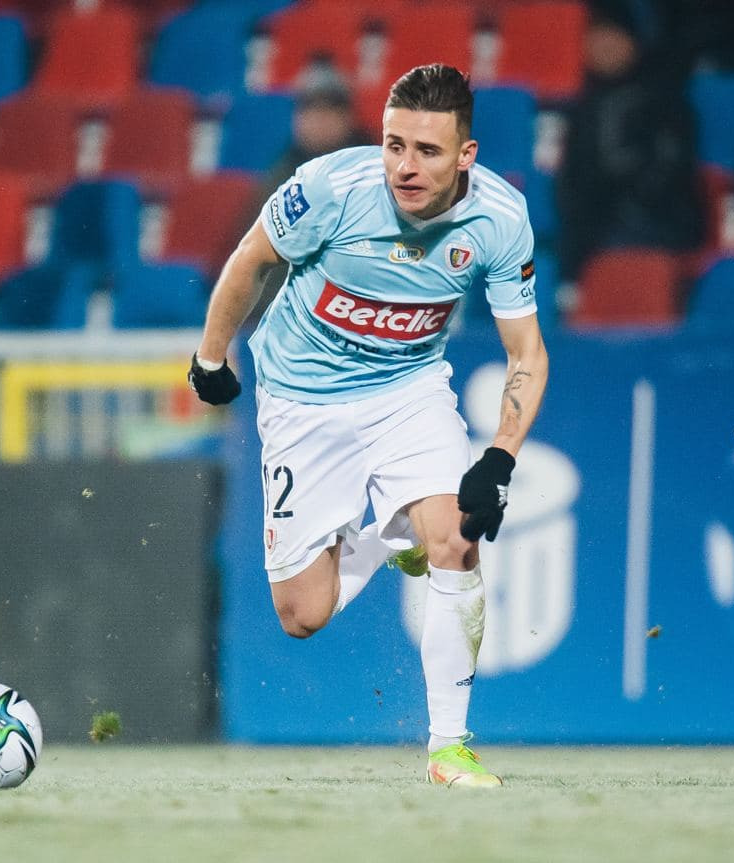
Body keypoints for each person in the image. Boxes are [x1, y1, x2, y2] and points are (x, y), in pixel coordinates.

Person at [188, 64, 548, 787]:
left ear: (466, 155)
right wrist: (210, 356)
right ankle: (393, 534)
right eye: (394, 145)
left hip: (407, 391)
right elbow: (250, 258)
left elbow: (527, 352)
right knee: (303, 614)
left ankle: (449, 748)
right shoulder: (329, 187)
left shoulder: (501, 219)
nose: (405, 167)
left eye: (427, 151)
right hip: (301, 398)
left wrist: (499, 459)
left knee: (456, 539)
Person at [556, 8, 705, 279]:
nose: (603, 47)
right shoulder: (584, 107)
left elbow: (671, 168)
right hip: (592, 230)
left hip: (654, 225)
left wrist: (625, 204)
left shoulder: (664, 98)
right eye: (595, 38)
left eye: (612, 37)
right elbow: (573, 177)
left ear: (632, 42)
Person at [247, 64, 372, 324]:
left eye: (329, 111)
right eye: (310, 111)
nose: (319, 121)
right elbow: (259, 263)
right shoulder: (280, 179)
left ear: (347, 117)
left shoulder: (374, 171)